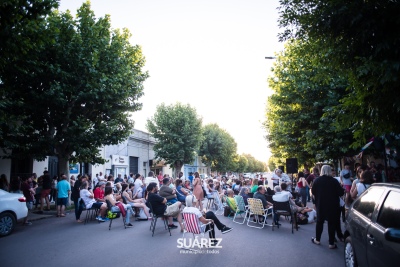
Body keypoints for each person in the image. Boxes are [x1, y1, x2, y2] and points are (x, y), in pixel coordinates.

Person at [311, 165, 344, 249]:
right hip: (333, 206)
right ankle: (331, 243)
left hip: (321, 204)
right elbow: (341, 193)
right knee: (331, 223)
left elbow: (313, 192)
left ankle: (317, 239)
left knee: (319, 222)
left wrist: (315, 201)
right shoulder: (334, 181)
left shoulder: (317, 180)